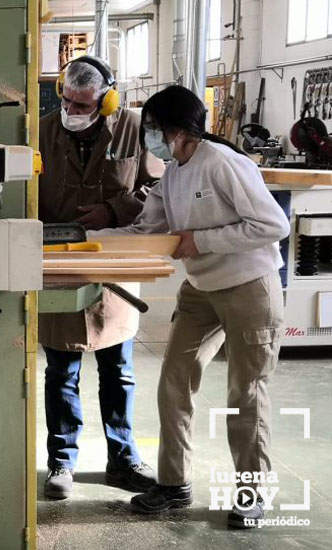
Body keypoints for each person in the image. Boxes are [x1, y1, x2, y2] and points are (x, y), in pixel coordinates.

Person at [93, 85, 289, 529]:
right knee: (175, 383)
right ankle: (174, 483)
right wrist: (85, 244)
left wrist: (202, 241)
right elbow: (149, 230)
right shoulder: (175, 172)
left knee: (247, 394)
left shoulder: (223, 164)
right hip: (201, 290)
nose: (150, 140)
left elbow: (273, 224)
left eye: (154, 130)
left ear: (179, 130)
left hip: (248, 288)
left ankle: (251, 494)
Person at [38, 56, 164, 499]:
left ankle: (124, 458)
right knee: (61, 370)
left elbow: (156, 188)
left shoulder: (134, 128)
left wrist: (112, 210)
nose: (73, 111)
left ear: (108, 100)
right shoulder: (43, 130)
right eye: (68, 101)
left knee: (118, 369)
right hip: (59, 260)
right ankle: (61, 460)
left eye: (84, 105)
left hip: (115, 258)